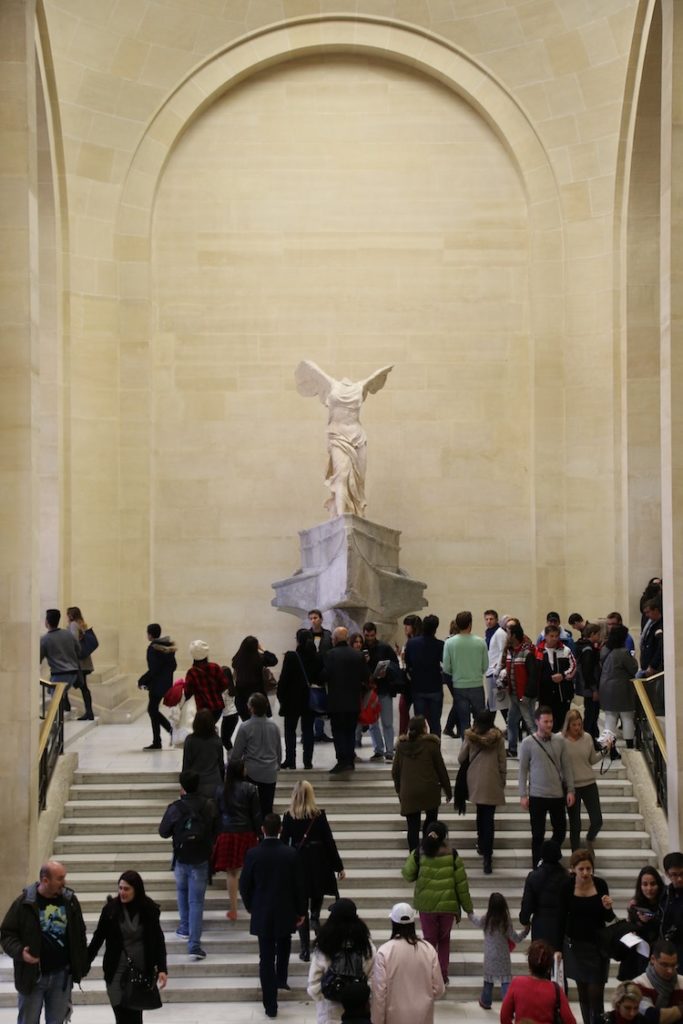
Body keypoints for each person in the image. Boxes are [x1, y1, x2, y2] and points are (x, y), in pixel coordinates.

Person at [294, 359, 393, 517]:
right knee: (341, 475)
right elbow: (307, 367)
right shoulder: (331, 385)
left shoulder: (360, 387)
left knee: (359, 481)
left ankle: (357, 514)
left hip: (358, 436)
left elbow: (377, 377)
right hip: (338, 435)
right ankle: (341, 518)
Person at [0, 859, 89, 1024]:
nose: (65, 882)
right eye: (60, 878)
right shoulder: (24, 903)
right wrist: (21, 952)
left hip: (61, 977)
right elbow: (6, 934)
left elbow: (79, 934)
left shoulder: (70, 901)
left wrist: (80, 965)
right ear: (45, 880)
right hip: (32, 977)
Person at [240, 812, 307, 1019]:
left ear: (262, 829)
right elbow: (299, 886)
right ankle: (281, 978)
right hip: (285, 909)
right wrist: (301, 910)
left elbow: (244, 885)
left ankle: (270, 1005)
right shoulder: (290, 854)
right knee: (284, 943)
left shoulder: (253, 854)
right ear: (280, 830)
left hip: (263, 909)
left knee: (265, 956)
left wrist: (251, 905)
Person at [88, 870, 168, 1024]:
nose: (122, 892)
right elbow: (97, 939)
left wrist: (162, 968)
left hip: (140, 972)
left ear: (136, 890)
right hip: (116, 971)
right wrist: (83, 965)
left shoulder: (149, 909)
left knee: (135, 1017)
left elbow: (158, 940)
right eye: (120, 888)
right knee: (121, 1015)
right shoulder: (111, 910)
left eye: (126, 889)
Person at [281, 780, 345, 962]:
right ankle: (316, 924)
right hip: (319, 863)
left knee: (301, 907)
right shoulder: (318, 815)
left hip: (298, 863)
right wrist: (338, 867)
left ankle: (304, 949)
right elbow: (329, 842)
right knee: (316, 900)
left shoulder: (288, 816)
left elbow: (284, 843)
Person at [402, 819, 472, 985]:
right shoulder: (452, 854)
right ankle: (443, 974)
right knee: (444, 940)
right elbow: (462, 884)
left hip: (426, 906)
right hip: (448, 906)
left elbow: (407, 875)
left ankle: (429, 974)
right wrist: (468, 907)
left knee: (429, 940)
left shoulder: (419, 853)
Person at [158, 769, 217, 960]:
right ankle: (194, 945)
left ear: (182, 786)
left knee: (182, 892)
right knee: (196, 901)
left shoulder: (176, 807)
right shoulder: (208, 805)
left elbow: (163, 832)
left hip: (181, 857)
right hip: (200, 858)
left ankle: (184, 927)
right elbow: (217, 829)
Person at [559, 848, 615, 1024]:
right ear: (573, 869)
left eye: (588, 869)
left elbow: (608, 918)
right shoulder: (566, 887)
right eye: (581, 869)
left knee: (596, 992)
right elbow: (560, 918)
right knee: (582, 991)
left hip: (597, 947)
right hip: (575, 946)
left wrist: (608, 907)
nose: (585, 873)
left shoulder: (600, 885)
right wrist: (556, 947)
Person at [518, 704, 575, 867]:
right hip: (537, 795)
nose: (549, 725)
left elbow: (567, 766)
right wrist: (523, 794)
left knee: (561, 831)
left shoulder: (560, 741)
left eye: (551, 721)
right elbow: (522, 771)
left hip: (557, 794)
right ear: (537, 722)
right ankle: (537, 864)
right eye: (545, 721)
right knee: (537, 834)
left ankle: (550, 858)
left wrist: (571, 790)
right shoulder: (528, 743)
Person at [371, 902, 444, 1024]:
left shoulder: (384, 951)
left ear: (393, 923)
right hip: (423, 1016)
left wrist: (377, 1020)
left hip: (394, 1017)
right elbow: (439, 989)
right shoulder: (428, 949)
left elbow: (379, 994)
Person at [307, 897, 375, 1024]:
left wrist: (325, 999)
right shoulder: (366, 945)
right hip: (359, 1012)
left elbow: (313, 983)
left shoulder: (324, 945)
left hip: (329, 1013)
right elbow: (373, 979)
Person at [392, 715, 451, 852]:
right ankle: (428, 850)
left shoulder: (401, 747)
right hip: (429, 790)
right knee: (431, 823)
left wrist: (400, 790)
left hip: (409, 792)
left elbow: (395, 772)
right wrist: (448, 791)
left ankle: (414, 857)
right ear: (425, 729)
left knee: (412, 827)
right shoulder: (432, 745)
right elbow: (441, 769)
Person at [457, 708, 506, 874]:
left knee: (480, 813)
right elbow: (502, 762)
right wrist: (502, 780)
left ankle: (481, 843)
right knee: (489, 818)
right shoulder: (498, 738)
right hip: (492, 781)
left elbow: (461, 758)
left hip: (476, 781)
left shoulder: (471, 737)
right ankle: (488, 857)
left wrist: (467, 738)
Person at [212, 760, 262, 922]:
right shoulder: (251, 788)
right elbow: (255, 814)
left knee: (231, 872)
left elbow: (217, 814)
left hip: (227, 833)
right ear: (241, 771)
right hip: (246, 832)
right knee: (252, 871)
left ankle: (233, 909)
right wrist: (259, 834)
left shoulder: (220, 790)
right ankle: (254, 904)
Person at [468, 891, 528, 1009]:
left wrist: (469, 911)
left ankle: (486, 1001)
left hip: (489, 957)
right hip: (503, 957)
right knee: (505, 981)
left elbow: (474, 919)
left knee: (488, 981)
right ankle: (507, 1004)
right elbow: (516, 938)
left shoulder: (486, 920)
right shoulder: (505, 922)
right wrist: (526, 931)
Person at [322, 626, 370, 774]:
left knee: (338, 732)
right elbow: (365, 676)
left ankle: (342, 761)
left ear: (335, 639)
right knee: (350, 731)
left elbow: (324, 675)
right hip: (353, 701)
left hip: (336, 701)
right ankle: (350, 760)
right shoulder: (358, 655)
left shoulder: (330, 655)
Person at [500, 939, 577, 1024]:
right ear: (548, 968)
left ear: (529, 963)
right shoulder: (555, 990)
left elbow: (504, 1016)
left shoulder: (517, 983)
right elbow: (570, 1021)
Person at [229, 691, 281, 815]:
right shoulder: (274, 726)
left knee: (252, 809)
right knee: (267, 808)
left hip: (252, 773)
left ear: (251, 708)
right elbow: (278, 750)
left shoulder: (245, 727)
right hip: (270, 773)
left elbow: (236, 755)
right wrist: (276, 766)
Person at [562, 708, 604, 851]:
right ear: (568, 725)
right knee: (575, 824)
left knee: (597, 820)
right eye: (574, 725)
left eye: (579, 724)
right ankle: (576, 855)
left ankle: (590, 838)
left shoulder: (587, 737)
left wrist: (605, 751)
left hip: (589, 783)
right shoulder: (560, 740)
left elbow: (592, 759)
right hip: (571, 786)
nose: (577, 728)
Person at [441, 610, 488, 738]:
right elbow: (485, 666)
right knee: (480, 721)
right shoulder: (480, 642)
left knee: (463, 723)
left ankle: (466, 751)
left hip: (459, 686)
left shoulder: (449, 643)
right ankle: (479, 749)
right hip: (477, 685)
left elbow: (447, 668)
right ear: (470, 624)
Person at [277, 628, 319, 770]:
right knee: (308, 730)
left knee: (290, 730)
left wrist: (281, 696)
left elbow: (284, 679)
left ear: (297, 640)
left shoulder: (291, 656)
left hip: (291, 699)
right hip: (309, 699)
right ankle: (308, 761)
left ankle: (291, 760)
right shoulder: (316, 656)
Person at [519, 839, 569, 952]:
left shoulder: (533, 877)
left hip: (540, 926)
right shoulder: (567, 878)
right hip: (561, 926)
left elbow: (527, 904)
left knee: (540, 961)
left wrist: (524, 920)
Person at [618, 866, 664, 981]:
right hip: (637, 955)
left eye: (653, 884)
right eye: (645, 884)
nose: (649, 888)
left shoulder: (665, 902)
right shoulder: (635, 904)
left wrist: (651, 921)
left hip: (658, 953)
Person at [362, 622, 399, 762]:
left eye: (372, 635)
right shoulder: (361, 648)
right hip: (368, 691)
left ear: (375, 633)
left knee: (387, 722)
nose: (369, 638)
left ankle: (389, 751)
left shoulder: (384, 647)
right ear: (364, 633)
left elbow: (394, 665)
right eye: (367, 635)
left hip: (383, 689)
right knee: (372, 722)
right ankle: (378, 749)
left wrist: (386, 671)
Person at [499, 621, 538, 757]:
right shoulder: (510, 652)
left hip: (524, 697)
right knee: (511, 721)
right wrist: (504, 680)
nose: (506, 636)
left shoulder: (527, 653)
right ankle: (512, 749)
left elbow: (533, 676)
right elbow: (510, 671)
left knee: (531, 723)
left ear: (514, 635)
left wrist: (527, 695)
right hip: (514, 696)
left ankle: (539, 750)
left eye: (508, 633)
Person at [404, 614, 445, 738]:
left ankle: (420, 751)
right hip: (435, 687)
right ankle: (435, 751)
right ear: (436, 628)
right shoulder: (440, 645)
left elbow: (408, 664)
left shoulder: (411, 643)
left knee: (418, 724)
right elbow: (444, 663)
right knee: (435, 723)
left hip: (418, 687)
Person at [139, 623, 177, 750]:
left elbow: (154, 669)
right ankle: (159, 739)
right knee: (153, 710)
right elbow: (174, 666)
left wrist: (142, 680)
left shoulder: (153, 648)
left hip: (156, 685)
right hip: (166, 684)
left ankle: (166, 735)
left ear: (150, 634)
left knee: (152, 710)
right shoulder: (168, 648)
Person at [600, 624, 637, 751]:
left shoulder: (605, 650)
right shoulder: (623, 653)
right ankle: (630, 746)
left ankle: (608, 747)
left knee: (610, 719)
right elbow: (634, 668)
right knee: (627, 718)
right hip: (621, 688)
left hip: (605, 687)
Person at [39, 607, 82, 715]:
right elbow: (78, 649)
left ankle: (55, 728)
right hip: (73, 674)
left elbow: (38, 659)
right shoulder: (68, 634)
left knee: (54, 703)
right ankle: (59, 723)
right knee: (53, 693)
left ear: (47, 622)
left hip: (60, 675)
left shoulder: (45, 639)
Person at [537, 623, 577, 732]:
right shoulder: (538, 651)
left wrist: (563, 675)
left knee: (562, 721)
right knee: (546, 720)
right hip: (545, 693)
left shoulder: (565, 650)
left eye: (556, 636)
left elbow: (573, 666)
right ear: (545, 636)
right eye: (551, 636)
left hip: (562, 693)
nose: (554, 639)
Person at [633, 940, 683, 1023]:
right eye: (664, 965)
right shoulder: (639, 984)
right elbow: (652, 1017)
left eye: (673, 965)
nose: (670, 971)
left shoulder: (681, 982)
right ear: (653, 959)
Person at [231, 635, 279, 722]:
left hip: (241, 698)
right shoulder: (259, 659)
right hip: (258, 696)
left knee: (247, 724)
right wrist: (263, 649)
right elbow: (274, 660)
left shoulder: (236, 659)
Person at [182, 708, 225, 798]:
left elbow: (186, 765)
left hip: (196, 784)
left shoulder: (190, 740)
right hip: (215, 783)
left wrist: (183, 785)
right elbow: (221, 765)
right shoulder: (217, 740)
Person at [183, 640, 228, 723]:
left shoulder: (191, 672)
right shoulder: (215, 667)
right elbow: (225, 684)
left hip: (202, 709)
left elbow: (187, 692)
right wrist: (216, 692)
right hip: (217, 706)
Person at [66, 605, 95, 720]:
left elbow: (73, 641)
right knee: (84, 688)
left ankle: (67, 706)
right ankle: (89, 712)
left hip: (78, 661)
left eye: (68, 614)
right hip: (85, 661)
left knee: (64, 683)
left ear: (71, 615)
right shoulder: (82, 624)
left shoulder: (73, 625)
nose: (66, 617)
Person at [308, 610, 333, 744]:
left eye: (315, 618)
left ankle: (320, 732)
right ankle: (310, 732)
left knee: (322, 702)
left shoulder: (328, 635)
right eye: (311, 618)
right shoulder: (306, 635)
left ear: (321, 619)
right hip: (310, 674)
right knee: (311, 702)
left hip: (324, 672)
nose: (313, 620)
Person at [574, 623, 603, 742]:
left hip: (589, 687)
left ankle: (592, 738)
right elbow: (588, 671)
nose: (600, 636)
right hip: (590, 688)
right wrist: (594, 689)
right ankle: (587, 740)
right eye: (598, 634)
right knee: (591, 715)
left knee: (592, 713)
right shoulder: (588, 650)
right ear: (592, 634)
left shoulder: (586, 647)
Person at [398, 614, 423, 735]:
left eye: (408, 625)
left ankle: (418, 736)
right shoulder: (408, 641)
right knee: (402, 708)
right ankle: (402, 736)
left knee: (420, 712)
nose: (405, 628)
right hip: (406, 681)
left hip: (417, 681)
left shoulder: (418, 642)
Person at [660, 853, 683, 966]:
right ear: (667, 874)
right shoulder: (665, 894)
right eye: (674, 874)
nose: (679, 879)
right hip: (670, 951)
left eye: (682, 874)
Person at [483, 610, 508, 711]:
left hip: (496, 671)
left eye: (491, 619)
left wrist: (498, 668)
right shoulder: (488, 632)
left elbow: (504, 651)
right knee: (495, 702)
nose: (489, 621)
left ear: (497, 620)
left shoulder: (499, 633)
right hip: (490, 670)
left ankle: (486, 724)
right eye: (486, 619)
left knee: (497, 702)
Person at [219, 665, 239, 753]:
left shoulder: (223, 689)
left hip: (228, 716)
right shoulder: (233, 684)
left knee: (225, 740)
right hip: (234, 715)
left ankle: (234, 759)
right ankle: (233, 758)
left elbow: (221, 704)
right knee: (227, 739)